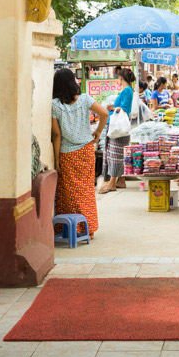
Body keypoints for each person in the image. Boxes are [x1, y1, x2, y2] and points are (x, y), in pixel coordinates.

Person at [51, 68, 108, 237]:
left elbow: (56, 134)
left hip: (67, 153)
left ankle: (72, 229)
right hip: (86, 151)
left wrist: (56, 160)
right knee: (86, 190)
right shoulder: (84, 99)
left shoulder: (55, 104)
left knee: (68, 192)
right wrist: (98, 131)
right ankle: (88, 228)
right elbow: (104, 113)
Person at [99, 67, 135, 194]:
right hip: (118, 128)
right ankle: (121, 180)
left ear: (120, 78)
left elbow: (124, 109)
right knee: (119, 154)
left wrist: (112, 108)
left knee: (114, 155)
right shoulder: (128, 90)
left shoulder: (127, 91)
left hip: (117, 128)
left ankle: (112, 183)